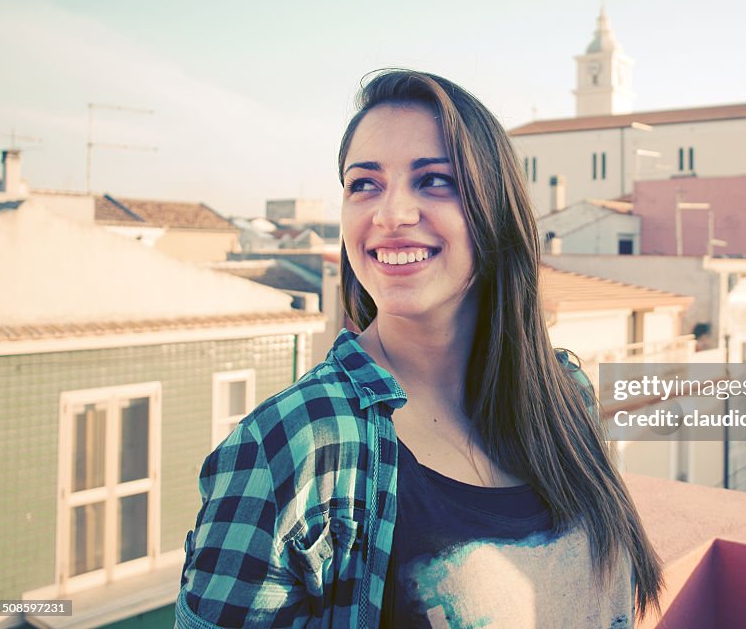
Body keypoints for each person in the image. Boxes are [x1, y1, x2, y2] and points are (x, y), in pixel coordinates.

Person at [176, 70, 662, 628]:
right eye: (364, 184)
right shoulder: (293, 445)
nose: (391, 215)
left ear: (495, 210)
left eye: (434, 180)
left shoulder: (565, 394)